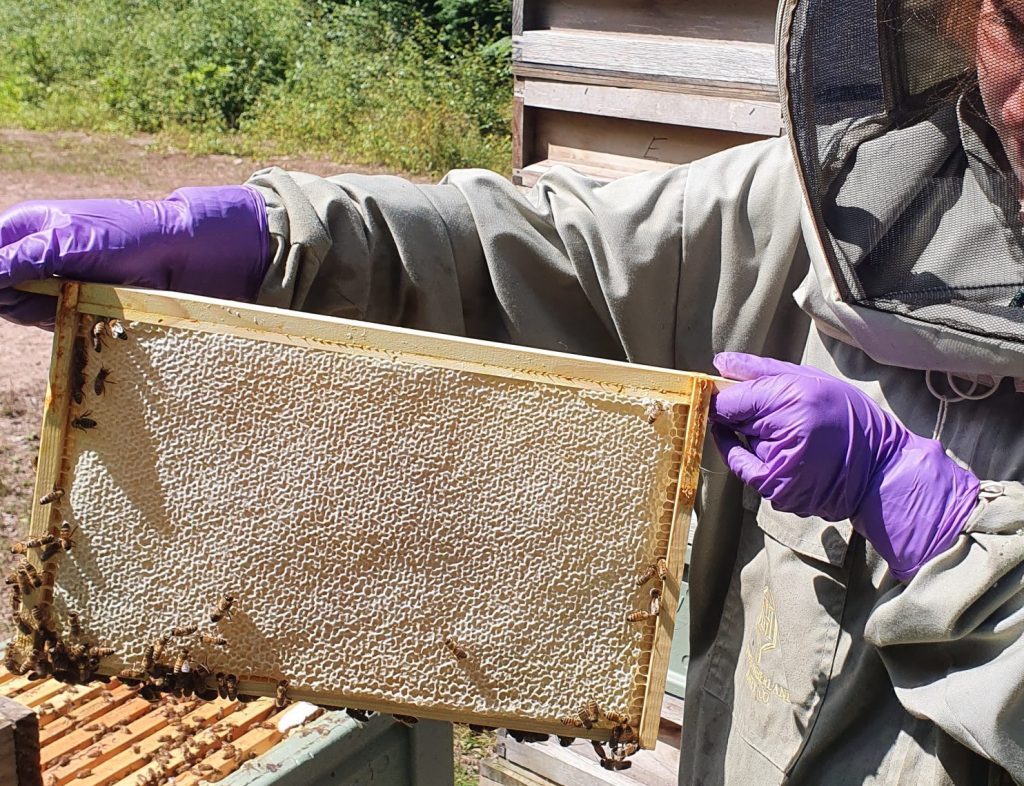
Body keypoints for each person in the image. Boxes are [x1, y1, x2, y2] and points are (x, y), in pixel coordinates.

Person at [1, 0, 1022, 782]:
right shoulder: (836, 203)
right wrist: (277, 243)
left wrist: (954, 542)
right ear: (955, 15)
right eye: (1017, 24)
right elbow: (553, 253)